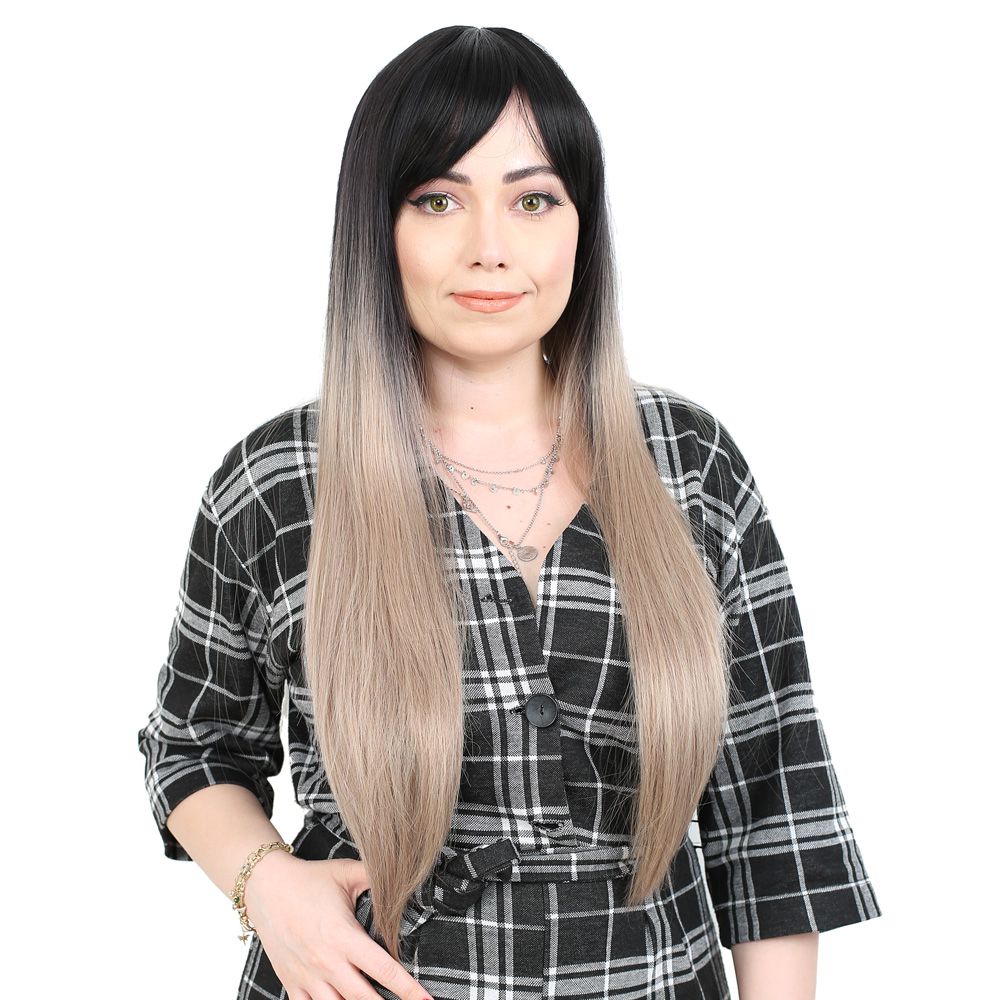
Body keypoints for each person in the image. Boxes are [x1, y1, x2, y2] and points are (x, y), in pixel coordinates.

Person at [136, 25, 882, 1000]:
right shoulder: (278, 482)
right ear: (376, 227)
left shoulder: (690, 465)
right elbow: (192, 745)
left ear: (581, 226)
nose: (490, 249)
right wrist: (265, 884)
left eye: (533, 200)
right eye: (438, 199)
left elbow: (774, 805)